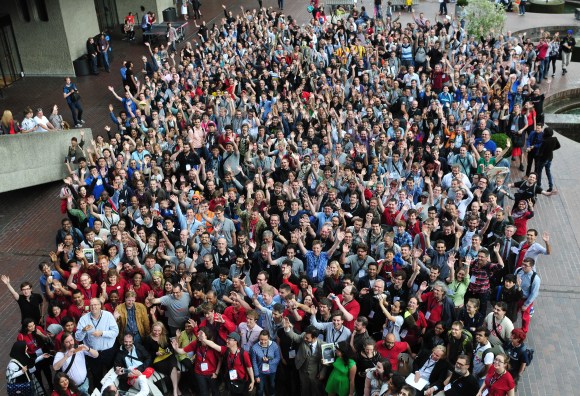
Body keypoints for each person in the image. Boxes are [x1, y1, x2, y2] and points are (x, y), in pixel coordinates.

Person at [75, 298, 119, 391]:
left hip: (109, 351)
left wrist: (102, 333)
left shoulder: (108, 315)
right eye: (91, 305)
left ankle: (113, 391)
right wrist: (83, 330)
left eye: (96, 304)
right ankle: (99, 392)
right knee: (96, 376)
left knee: (112, 373)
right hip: (93, 353)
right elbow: (78, 338)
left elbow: (115, 332)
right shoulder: (83, 319)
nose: (93, 307)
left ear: (100, 305)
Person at [197, 330, 256, 395]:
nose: (227, 341)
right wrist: (203, 339)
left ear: (235, 341)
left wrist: (252, 381)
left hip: (241, 381)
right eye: (227, 339)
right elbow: (214, 345)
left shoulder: (243, 354)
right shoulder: (225, 350)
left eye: (229, 339)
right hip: (230, 379)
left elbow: (249, 367)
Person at [282, 317, 327, 396]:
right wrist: (287, 328)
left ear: (315, 338)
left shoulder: (324, 346)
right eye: (305, 336)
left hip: (315, 373)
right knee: (304, 389)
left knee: (315, 390)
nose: (305, 338)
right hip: (302, 369)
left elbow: (328, 363)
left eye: (307, 338)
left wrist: (322, 373)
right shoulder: (304, 336)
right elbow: (295, 337)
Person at [143, 321, 181, 396]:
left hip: (168, 356)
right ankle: (176, 391)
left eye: (159, 330)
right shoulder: (148, 339)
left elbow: (170, 348)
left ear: (162, 330)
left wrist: (167, 350)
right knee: (176, 371)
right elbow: (145, 353)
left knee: (176, 370)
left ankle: (175, 390)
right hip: (157, 360)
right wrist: (155, 353)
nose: (157, 332)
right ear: (152, 329)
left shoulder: (164, 336)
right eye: (155, 330)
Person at [251, 329, 281, 396]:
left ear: (269, 338)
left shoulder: (274, 345)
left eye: (265, 340)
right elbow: (254, 362)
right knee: (260, 389)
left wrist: (269, 361)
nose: (263, 342)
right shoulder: (254, 347)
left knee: (272, 386)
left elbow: (278, 358)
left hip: (272, 371)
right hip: (260, 371)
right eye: (261, 339)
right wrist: (256, 375)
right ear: (259, 338)